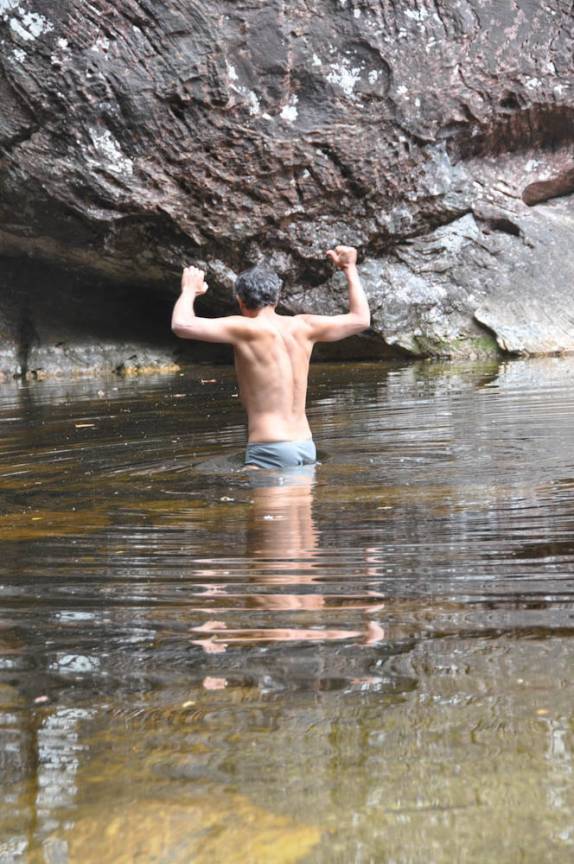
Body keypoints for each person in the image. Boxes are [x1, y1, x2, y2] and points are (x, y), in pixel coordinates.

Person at [171, 245, 370, 469]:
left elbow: (181, 325)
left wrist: (189, 290)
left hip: (270, 447)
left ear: (240, 300)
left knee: (268, 505)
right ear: (276, 298)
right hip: (305, 445)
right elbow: (361, 319)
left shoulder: (245, 329)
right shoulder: (304, 326)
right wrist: (349, 268)